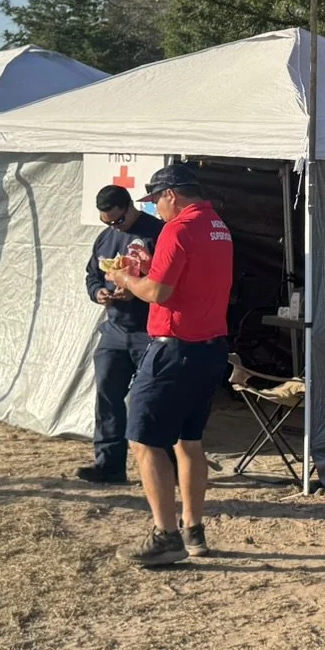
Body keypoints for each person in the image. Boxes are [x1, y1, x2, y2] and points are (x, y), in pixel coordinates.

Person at [103, 162, 234, 567]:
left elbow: (159, 292)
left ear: (170, 195)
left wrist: (126, 280)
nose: (156, 209)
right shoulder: (219, 227)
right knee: (188, 440)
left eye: (156, 201)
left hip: (175, 347)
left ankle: (166, 535)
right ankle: (194, 530)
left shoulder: (178, 229)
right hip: (210, 345)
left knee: (143, 439)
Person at [78, 183, 163, 484]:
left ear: (130, 207)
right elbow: (92, 276)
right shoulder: (105, 239)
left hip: (149, 331)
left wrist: (136, 292)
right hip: (114, 329)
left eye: (118, 220)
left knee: (151, 401)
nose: (114, 226)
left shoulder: (157, 233)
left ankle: (161, 470)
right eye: (107, 222)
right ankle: (109, 465)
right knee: (107, 396)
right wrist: (98, 292)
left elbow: (165, 283)